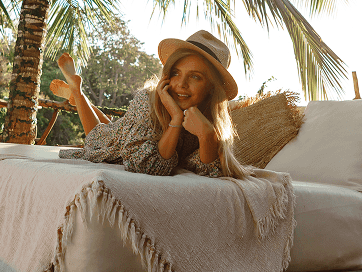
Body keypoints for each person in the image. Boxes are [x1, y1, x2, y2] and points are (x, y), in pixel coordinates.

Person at [54, 30, 248, 179]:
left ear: (211, 89)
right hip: (123, 140)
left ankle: (79, 95)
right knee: (99, 135)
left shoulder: (208, 121)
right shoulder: (147, 99)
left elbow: (209, 174)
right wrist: (176, 119)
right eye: (176, 73)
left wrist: (207, 135)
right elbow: (146, 166)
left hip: (126, 130)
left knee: (112, 127)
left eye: (195, 77)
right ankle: (78, 93)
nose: (181, 84)